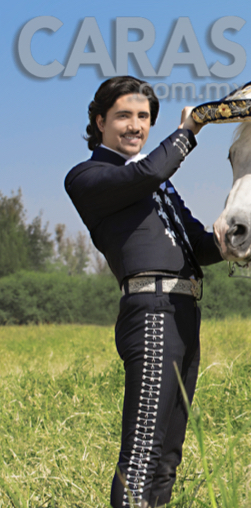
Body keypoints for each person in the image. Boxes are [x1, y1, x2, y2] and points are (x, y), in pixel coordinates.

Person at [65, 76, 222, 507]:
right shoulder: (88, 176)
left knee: (168, 455)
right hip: (151, 311)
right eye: (124, 116)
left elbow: (199, 246)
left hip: (185, 311)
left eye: (144, 117)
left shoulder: (159, 184)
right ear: (99, 121)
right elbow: (151, 169)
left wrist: (234, 240)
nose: (136, 126)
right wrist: (188, 132)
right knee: (141, 454)